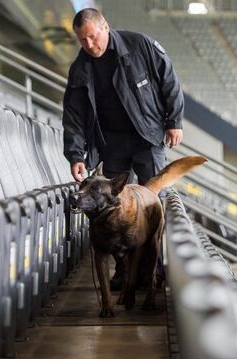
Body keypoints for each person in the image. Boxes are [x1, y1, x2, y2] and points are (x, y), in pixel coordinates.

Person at [62, 8, 184, 289]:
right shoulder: (80, 69)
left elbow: (170, 81)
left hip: (147, 138)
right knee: (114, 210)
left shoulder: (139, 45)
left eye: (93, 37)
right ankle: (123, 272)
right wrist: (76, 155)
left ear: (105, 27)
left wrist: (174, 120)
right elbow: (74, 117)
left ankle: (152, 273)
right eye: (83, 41)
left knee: (153, 204)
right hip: (111, 145)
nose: (90, 45)